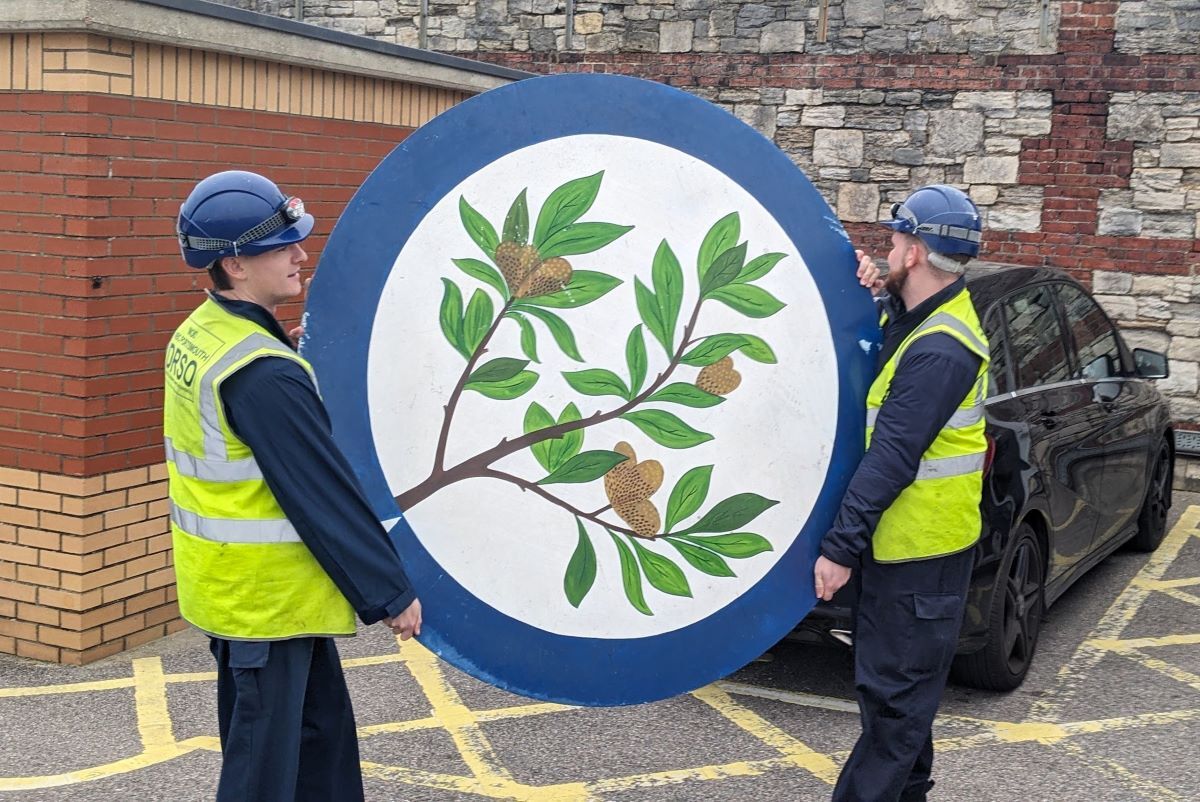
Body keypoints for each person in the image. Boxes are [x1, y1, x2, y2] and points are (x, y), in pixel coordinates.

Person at [165, 170, 423, 802]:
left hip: (251, 598)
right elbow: (320, 492)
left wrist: (282, 346)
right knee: (263, 774)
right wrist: (388, 592)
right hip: (266, 606)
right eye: (282, 246)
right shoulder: (261, 374)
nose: (300, 254)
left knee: (316, 748)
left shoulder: (204, 332)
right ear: (234, 265)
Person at [813, 184, 989, 802]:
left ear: (914, 251)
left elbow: (892, 456)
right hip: (908, 556)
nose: (886, 247)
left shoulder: (942, 351)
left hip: (920, 561)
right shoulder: (925, 323)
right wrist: (874, 294)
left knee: (892, 717)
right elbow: (887, 354)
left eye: (893, 239)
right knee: (901, 708)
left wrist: (839, 547)